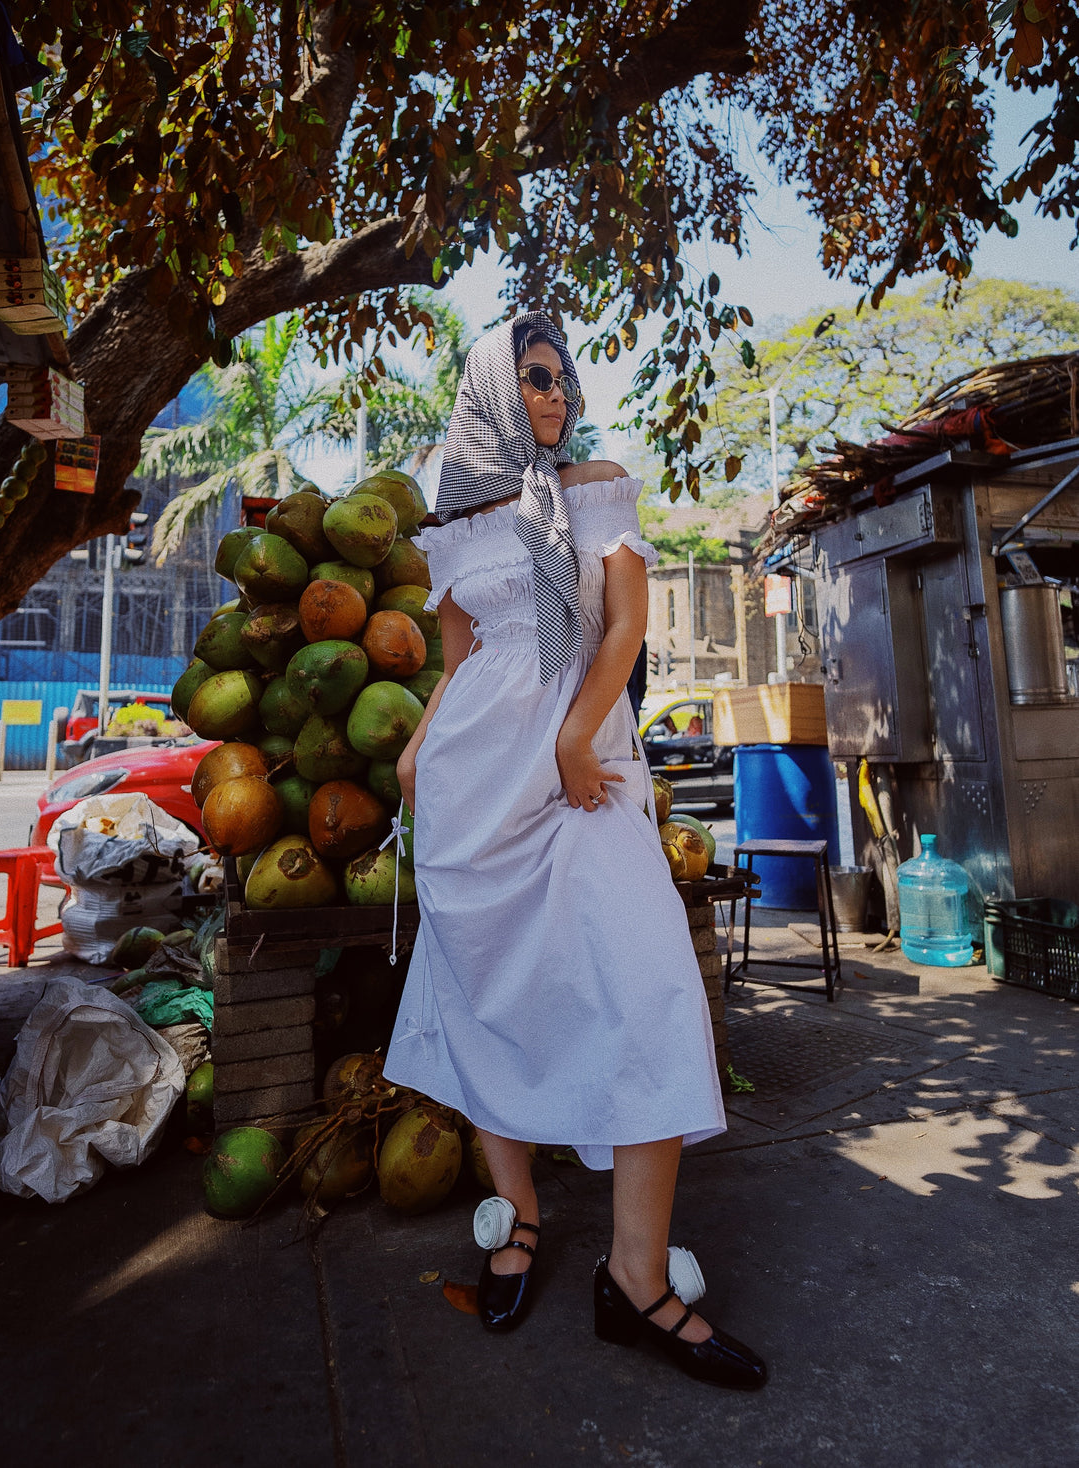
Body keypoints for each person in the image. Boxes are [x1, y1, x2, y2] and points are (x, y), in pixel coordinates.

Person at [384, 312, 766, 1391]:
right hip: (472, 782)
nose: (552, 393)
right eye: (531, 376)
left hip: (581, 770)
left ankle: (634, 1277)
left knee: (651, 994)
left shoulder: (593, 485)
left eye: (560, 376)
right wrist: (417, 748)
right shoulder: (451, 516)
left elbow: (623, 627)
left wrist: (567, 734)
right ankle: (519, 1225)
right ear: (492, 392)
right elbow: (460, 661)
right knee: (487, 989)